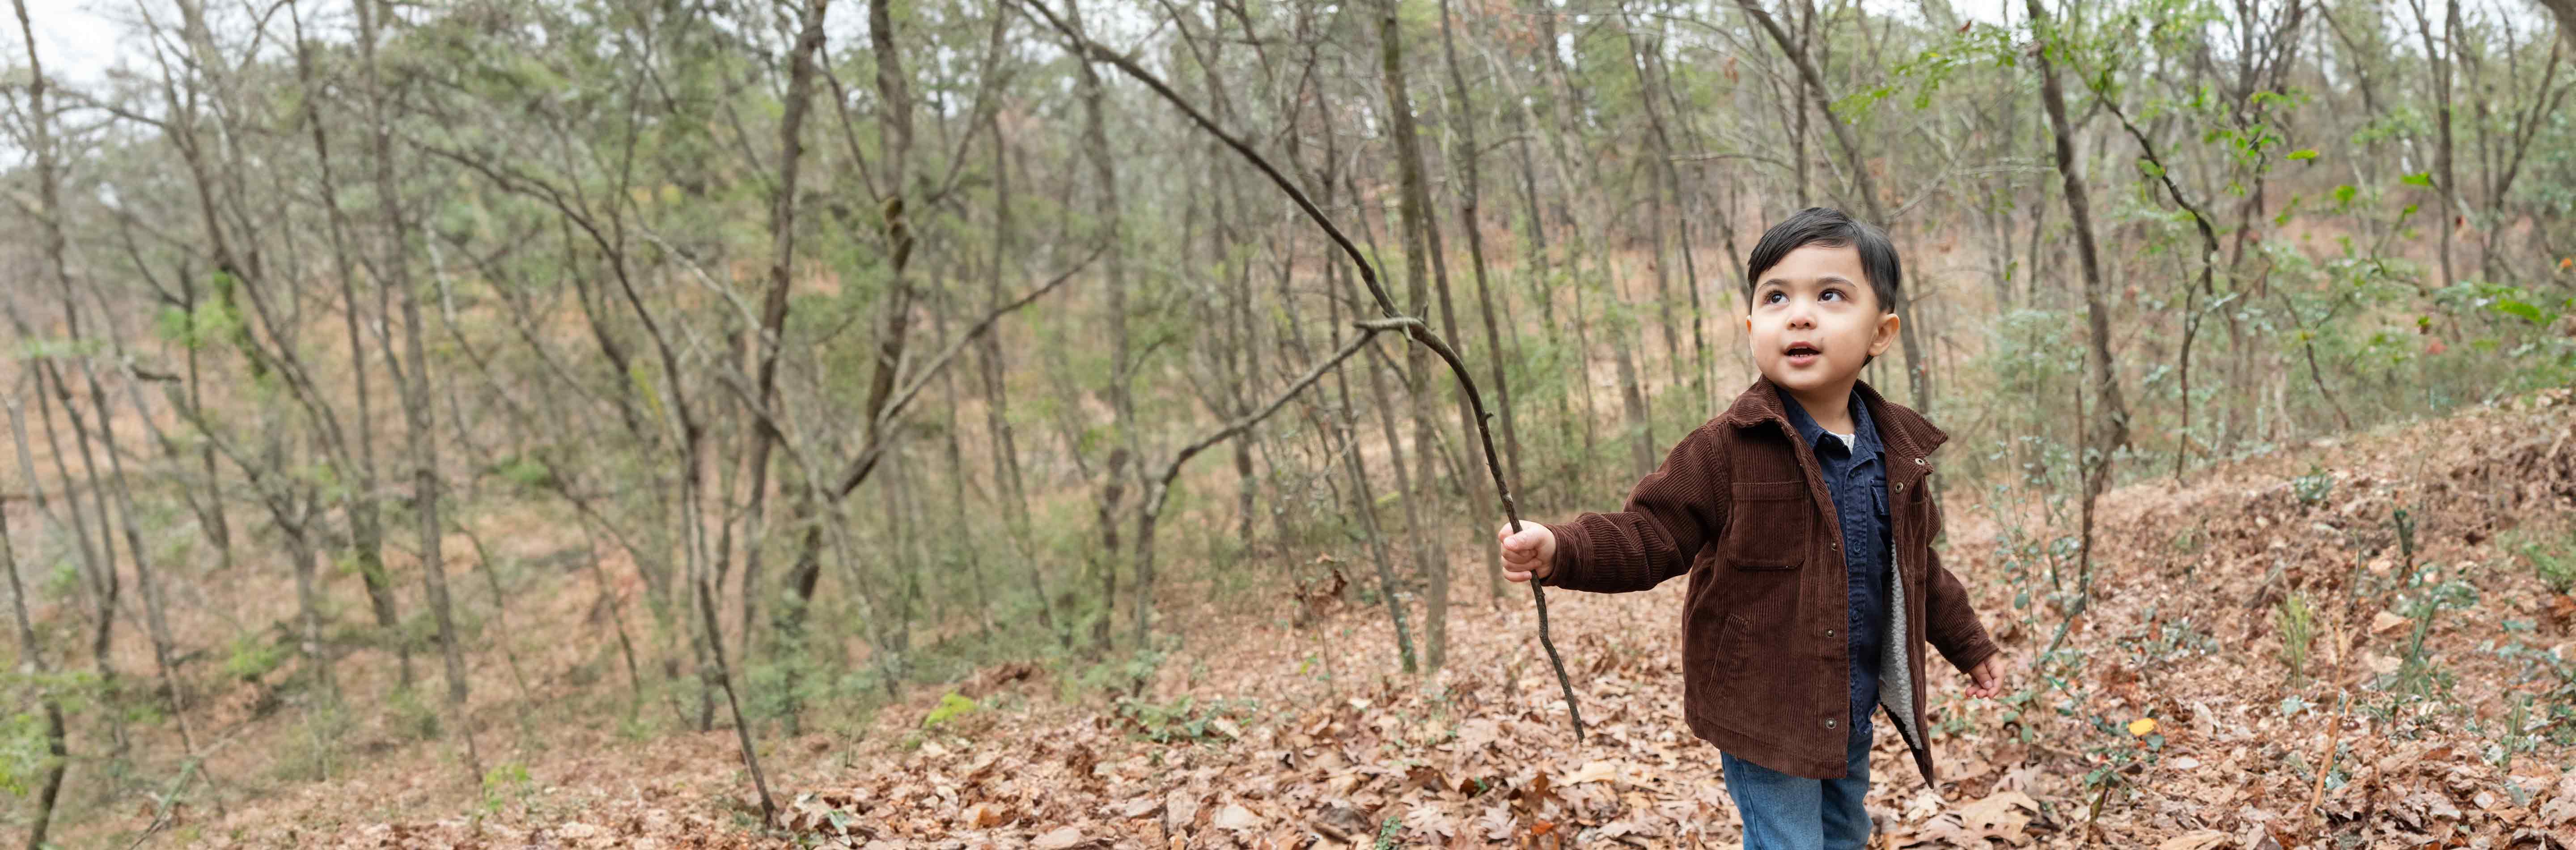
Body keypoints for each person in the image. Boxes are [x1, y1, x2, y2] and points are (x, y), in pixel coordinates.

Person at [1499, 207, 2002, 850]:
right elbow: (1651, 534)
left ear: (1881, 332)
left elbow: (1919, 569)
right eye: (1776, 297)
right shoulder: (1728, 449)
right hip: (1763, 705)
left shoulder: (1898, 453)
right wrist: (1561, 548)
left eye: (1829, 295)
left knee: (1843, 831)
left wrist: (1971, 646)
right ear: (1752, 326)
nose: (1799, 314)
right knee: (1789, 843)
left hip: (1847, 704)